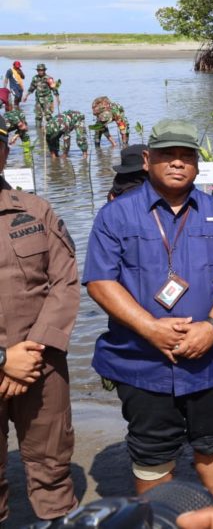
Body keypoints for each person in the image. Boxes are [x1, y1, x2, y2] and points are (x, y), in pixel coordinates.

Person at [84, 118, 213, 509]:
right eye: (167, 155)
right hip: (141, 360)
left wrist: (212, 326)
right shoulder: (115, 216)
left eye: (185, 155)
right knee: (152, 451)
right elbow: (100, 281)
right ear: (146, 158)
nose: (177, 163)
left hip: (209, 358)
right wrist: (149, 327)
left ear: (197, 163)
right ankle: (161, 519)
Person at [0, 123, 80, 524]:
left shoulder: (34, 209)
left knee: (52, 467)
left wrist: (32, 351)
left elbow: (65, 281)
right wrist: (3, 358)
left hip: (41, 363)